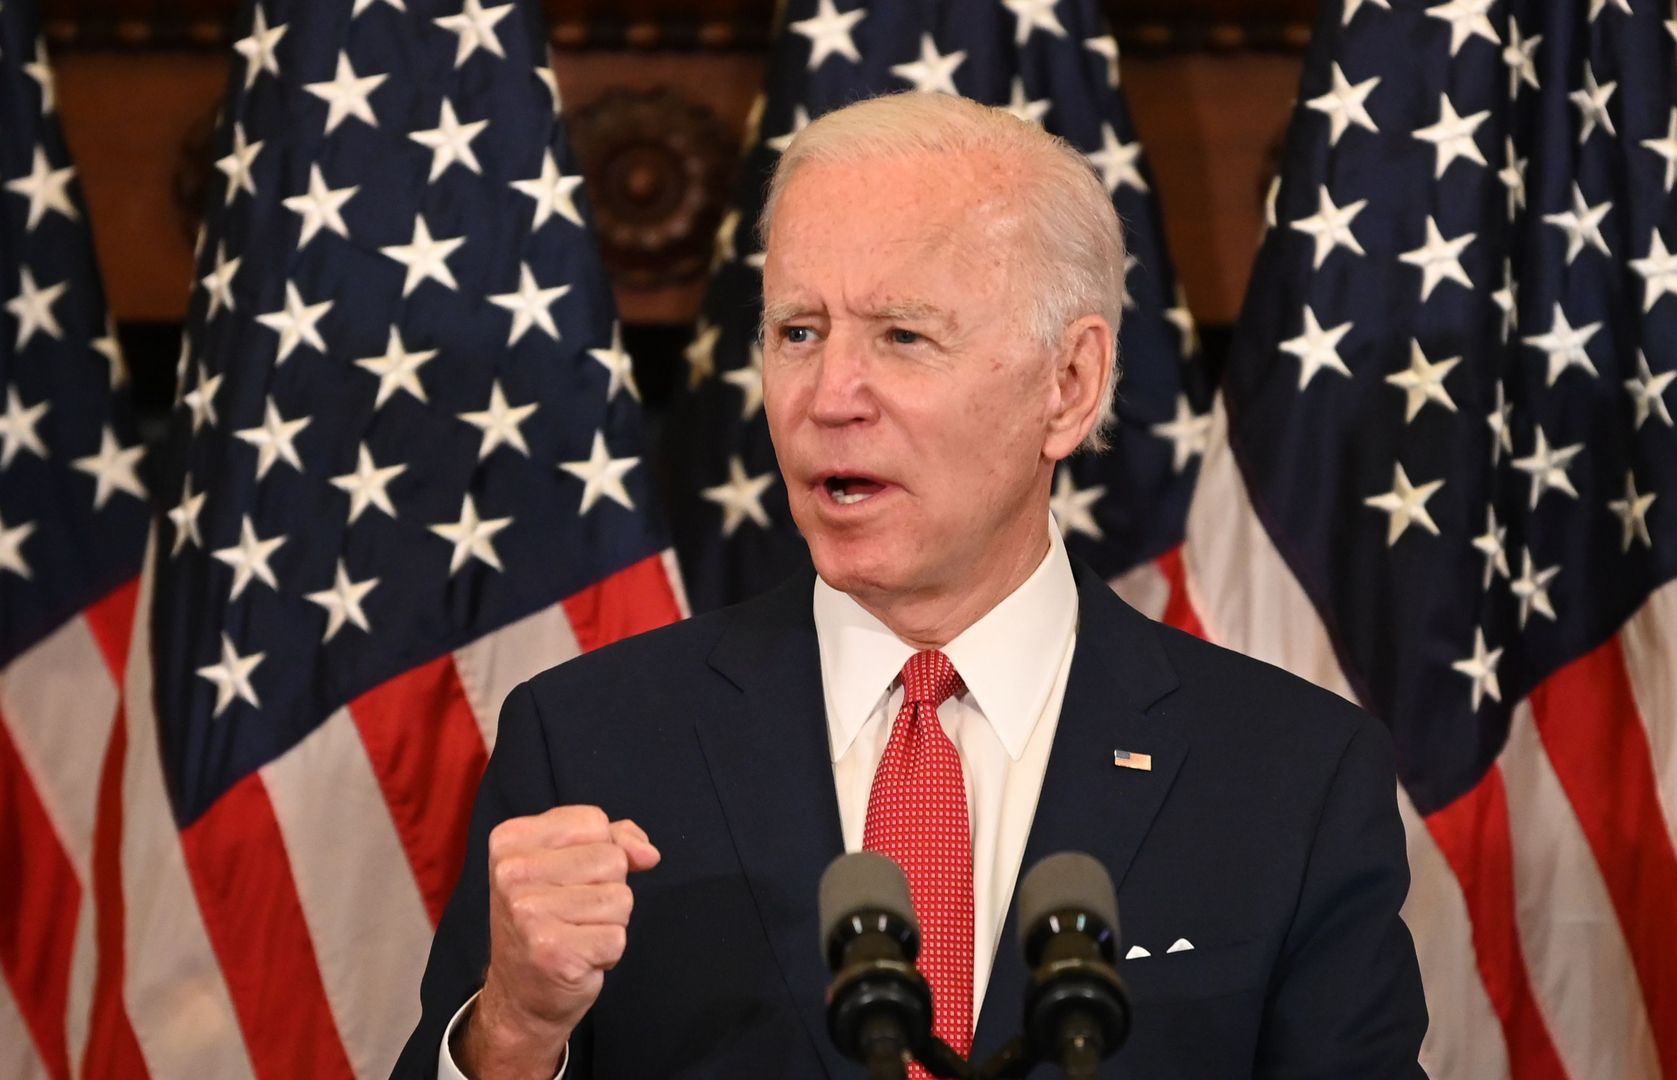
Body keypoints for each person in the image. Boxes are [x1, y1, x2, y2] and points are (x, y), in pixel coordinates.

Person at [393, 91, 1426, 1079]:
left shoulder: (1292, 778)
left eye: (902, 335)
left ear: (1069, 387)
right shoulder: (590, 743)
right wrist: (516, 1032)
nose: (830, 396)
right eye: (799, 331)